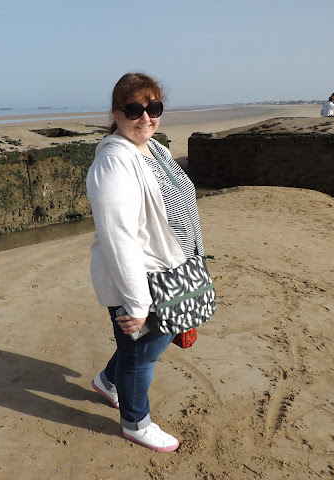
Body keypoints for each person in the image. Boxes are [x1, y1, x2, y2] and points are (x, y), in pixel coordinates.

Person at [86, 73, 205, 452]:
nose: (146, 118)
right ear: (117, 114)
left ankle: (107, 382)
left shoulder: (157, 150)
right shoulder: (113, 162)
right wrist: (137, 303)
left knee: (142, 345)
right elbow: (117, 236)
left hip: (170, 270)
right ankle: (135, 422)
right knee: (143, 352)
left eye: (153, 108)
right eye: (134, 109)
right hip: (140, 278)